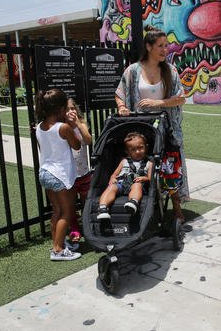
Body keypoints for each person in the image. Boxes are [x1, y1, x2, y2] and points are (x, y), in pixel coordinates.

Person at [114, 25, 190, 226]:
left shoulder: (170, 70)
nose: (165, 49)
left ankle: (177, 208)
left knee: (169, 167)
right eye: (161, 46)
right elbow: (120, 93)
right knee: (142, 166)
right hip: (140, 129)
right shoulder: (133, 71)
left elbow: (181, 98)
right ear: (149, 47)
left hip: (166, 129)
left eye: (167, 45)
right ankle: (144, 205)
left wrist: (159, 103)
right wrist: (122, 107)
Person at [35, 89, 82, 261]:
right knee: (67, 213)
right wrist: (73, 125)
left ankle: (57, 242)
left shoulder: (39, 127)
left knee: (56, 210)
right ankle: (58, 249)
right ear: (61, 109)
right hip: (60, 175)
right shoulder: (63, 127)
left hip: (45, 172)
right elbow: (77, 145)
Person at [97, 132, 153, 220]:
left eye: (140, 148)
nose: (137, 151)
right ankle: (102, 207)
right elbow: (115, 174)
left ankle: (133, 202)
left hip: (136, 185)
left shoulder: (149, 164)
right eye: (133, 149)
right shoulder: (124, 161)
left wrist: (144, 178)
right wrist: (112, 179)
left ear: (146, 147)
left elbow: (150, 178)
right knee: (111, 187)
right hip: (121, 184)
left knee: (136, 185)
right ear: (127, 152)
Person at [64, 98, 92, 243]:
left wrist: (78, 125)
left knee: (86, 201)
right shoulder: (61, 127)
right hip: (69, 175)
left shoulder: (81, 124)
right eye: (67, 109)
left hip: (84, 172)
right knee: (70, 204)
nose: (71, 111)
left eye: (72, 108)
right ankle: (74, 228)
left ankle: (88, 226)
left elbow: (88, 140)